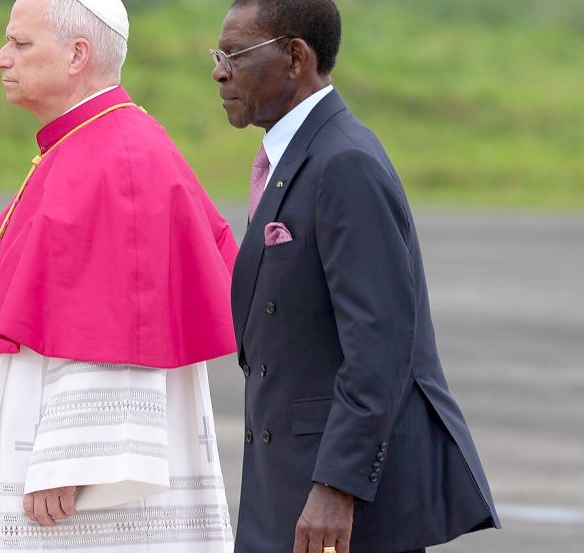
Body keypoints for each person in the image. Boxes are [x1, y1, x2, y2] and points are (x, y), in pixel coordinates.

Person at [0, 0, 238, 551]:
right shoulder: (88, 143)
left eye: (20, 44)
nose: (1, 59)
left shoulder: (118, 157)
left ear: (76, 55)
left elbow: (121, 316)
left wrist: (73, 454)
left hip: (69, 488)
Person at [211, 1, 501, 552]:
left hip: (340, 503)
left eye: (235, 55)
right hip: (287, 482)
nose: (220, 71)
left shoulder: (343, 162)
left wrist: (337, 487)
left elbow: (381, 343)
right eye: (218, 55)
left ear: (296, 57)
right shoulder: (294, 159)